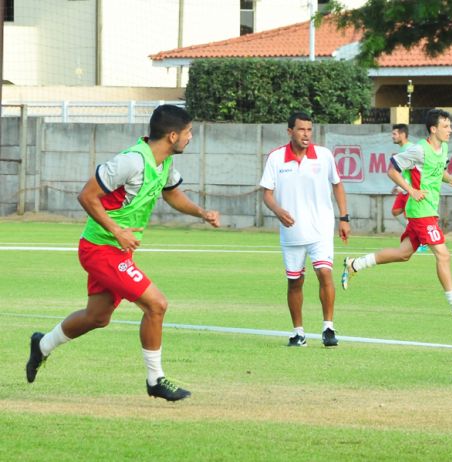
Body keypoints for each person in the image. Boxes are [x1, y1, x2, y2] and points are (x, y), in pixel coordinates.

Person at [26, 104, 220, 402]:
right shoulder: (131, 161)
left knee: (97, 317)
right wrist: (118, 232)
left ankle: (42, 345)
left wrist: (201, 213)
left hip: (116, 252)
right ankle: (155, 379)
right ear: (172, 136)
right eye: (188, 132)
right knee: (157, 305)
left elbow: (172, 194)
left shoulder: (164, 163)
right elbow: (87, 196)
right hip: (101, 249)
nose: (190, 137)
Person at [341, 109, 452, 317]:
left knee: (403, 254)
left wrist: (447, 178)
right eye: (446, 126)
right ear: (433, 129)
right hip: (420, 211)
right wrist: (411, 190)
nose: (450, 129)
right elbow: (392, 170)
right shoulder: (419, 150)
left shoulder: (443, 148)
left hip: (428, 210)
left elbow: (434, 170)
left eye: (450, 126)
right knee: (443, 255)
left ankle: (355, 264)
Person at [260, 112, 351, 348]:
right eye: (301, 130)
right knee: (295, 282)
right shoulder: (276, 158)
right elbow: (266, 194)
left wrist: (344, 217)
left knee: (324, 274)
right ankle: (298, 332)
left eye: (309, 130)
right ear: (290, 131)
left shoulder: (324, 155)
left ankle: (328, 328)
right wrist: (278, 211)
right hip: (291, 232)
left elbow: (337, 185)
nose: (306, 134)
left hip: (321, 227)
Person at [390, 124, 427, 253]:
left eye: (394, 134)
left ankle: (423, 241)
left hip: (413, 189)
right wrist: (399, 186)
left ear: (402, 134)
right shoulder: (403, 149)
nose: (392, 136)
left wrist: (406, 187)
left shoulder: (411, 148)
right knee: (395, 212)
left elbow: (416, 171)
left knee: (412, 216)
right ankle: (419, 238)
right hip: (406, 189)